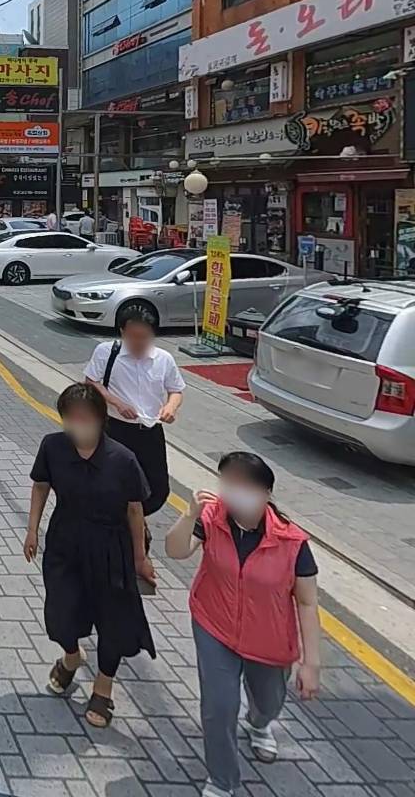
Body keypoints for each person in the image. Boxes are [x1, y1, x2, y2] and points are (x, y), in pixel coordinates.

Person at [165, 453, 321, 797]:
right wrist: (189, 512)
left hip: (270, 640)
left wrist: (312, 663)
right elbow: (175, 551)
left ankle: (259, 724)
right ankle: (222, 780)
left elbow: (308, 603)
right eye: (229, 484)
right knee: (218, 707)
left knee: (268, 700)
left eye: (244, 486)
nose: (235, 493)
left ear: (265, 493)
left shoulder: (293, 543)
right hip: (213, 625)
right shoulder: (211, 518)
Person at [24, 384, 156, 729]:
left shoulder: (122, 459)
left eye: (84, 418)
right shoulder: (53, 446)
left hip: (111, 546)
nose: (77, 424)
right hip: (65, 542)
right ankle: (71, 656)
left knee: (112, 618)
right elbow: (41, 485)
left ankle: (103, 686)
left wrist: (140, 558)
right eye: (70, 418)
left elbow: (134, 510)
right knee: (60, 611)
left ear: (100, 418)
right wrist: (32, 529)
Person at [84, 311, 182, 575]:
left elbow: (176, 389)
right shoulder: (107, 352)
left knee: (157, 489)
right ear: (122, 333)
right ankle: (124, 545)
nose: (139, 342)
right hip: (116, 430)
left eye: (144, 336)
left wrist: (171, 407)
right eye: (133, 336)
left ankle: (135, 522)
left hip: (149, 432)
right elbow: (91, 383)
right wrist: (116, 402)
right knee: (114, 488)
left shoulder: (164, 360)